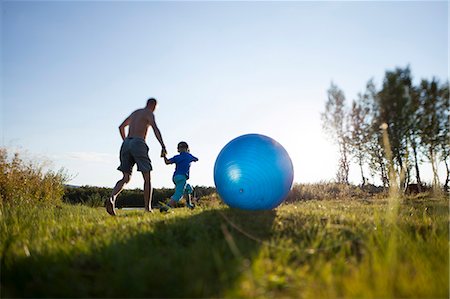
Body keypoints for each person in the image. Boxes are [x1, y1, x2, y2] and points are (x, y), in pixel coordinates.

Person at [106, 98, 167, 216]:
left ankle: (112, 198)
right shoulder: (149, 113)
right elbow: (155, 129)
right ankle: (147, 208)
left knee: (125, 178)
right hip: (139, 142)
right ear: (153, 105)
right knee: (147, 177)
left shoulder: (135, 113)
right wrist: (163, 146)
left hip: (126, 143)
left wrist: (127, 141)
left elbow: (121, 127)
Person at [161, 141, 198, 212]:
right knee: (179, 194)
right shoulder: (189, 156)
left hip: (176, 177)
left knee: (188, 188)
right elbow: (196, 159)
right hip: (182, 177)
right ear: (187, 148)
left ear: (178, 149)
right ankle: (166, 208)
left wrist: (164, 156)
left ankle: (189, 205)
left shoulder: (176, 157)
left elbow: (167, 162)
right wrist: (189, 154)